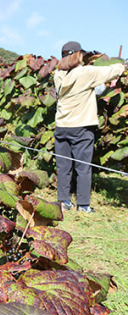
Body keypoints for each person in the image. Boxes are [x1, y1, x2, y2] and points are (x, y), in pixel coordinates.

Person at [54, 41, 125, 213]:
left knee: (63, 166)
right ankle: (84, 205)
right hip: (82, 127)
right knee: (83, 167)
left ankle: (63, 202)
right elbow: (112, 71)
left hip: (62, 126)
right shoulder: (86, 72)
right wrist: (122, 64)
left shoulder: (58, 74)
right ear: (77, 55)